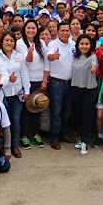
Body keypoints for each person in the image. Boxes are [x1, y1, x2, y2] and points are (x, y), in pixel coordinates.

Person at [0, 31, 30, 158]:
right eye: (6, 40)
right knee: (3, 121)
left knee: (16, 120)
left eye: (11, 41)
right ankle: (3, 145)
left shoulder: (19, 56)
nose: (9, 43)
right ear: (2, 41)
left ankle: (15, 145)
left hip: (17, 93)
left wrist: (27, 90)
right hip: (3, 94)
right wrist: (8, 80)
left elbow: (24, 74)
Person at [15, 20, 49, 149]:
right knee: (25, 111)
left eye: (33, 28)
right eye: (28, 28)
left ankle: (36, 134)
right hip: (26, 82)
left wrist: (45, 80)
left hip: (39, 81)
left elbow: (46, 63)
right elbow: (27, 62)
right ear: (25, 29)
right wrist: (29, 52)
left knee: (38, 108)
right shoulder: (19, 44)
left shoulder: (41, 43)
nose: (31, 30)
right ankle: (23, 136)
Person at [46, 21, 77, 149]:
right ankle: (54, 137)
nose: (65, 33)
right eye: (62, 31)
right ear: (58, 32)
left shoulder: (73, 44)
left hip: (70, 83)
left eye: (67, 30)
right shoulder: (53, 44)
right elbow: (48, 56)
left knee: (67, 111)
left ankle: (64, 134)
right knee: (56, 111)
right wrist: (53, 56)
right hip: (56, 83)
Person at [71, 34, 98, 154]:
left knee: (86, 116)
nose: (84, 46)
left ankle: (85, 142)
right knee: (79, 116)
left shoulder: (93, 57)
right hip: (76, 89)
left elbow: (94, 66)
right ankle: (81, 140)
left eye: (87, 44)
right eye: (82, 44)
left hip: (89, 90)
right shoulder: (75, 58)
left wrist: (93, 69)